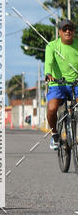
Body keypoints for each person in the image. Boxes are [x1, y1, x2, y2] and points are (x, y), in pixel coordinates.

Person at [44, 19, 78, 149]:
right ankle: (55, 134)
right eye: (65, 29)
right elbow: (49, 62)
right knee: (52, 108)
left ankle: (73, 124)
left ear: (73, 31)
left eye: (70, 29)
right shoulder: (52, 46)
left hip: (75, 84)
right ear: (59, 32)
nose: (68, 31)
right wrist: (48, 74)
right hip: (57, 84)